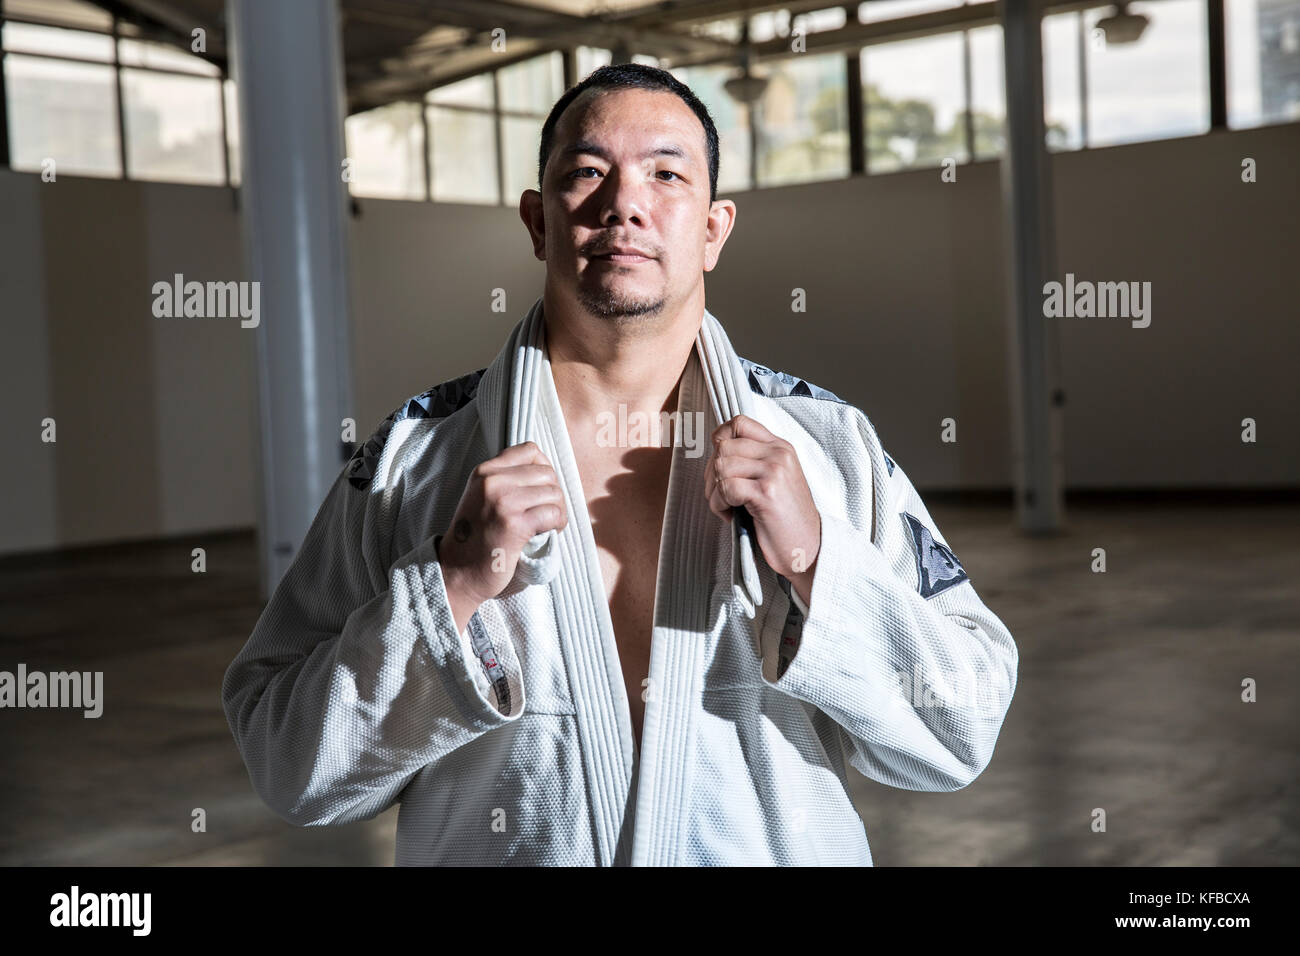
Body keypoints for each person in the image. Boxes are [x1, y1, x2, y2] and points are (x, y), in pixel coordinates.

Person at [221, 63, 1019, 866]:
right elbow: (291, 768)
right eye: (587, 173)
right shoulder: (411, 459)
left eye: (666, 173)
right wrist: (451, 585)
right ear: (538, 221)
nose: (624, 205)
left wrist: (816, 560)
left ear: (713, 229)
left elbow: (963, 728)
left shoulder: (829, 446)